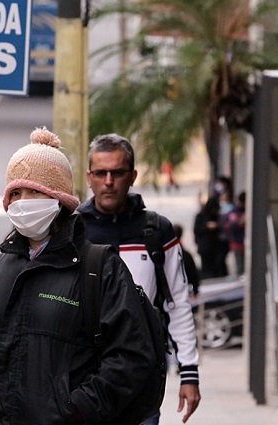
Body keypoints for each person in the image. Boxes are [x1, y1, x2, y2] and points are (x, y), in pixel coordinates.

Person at [0, 127, 157, 425]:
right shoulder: (1, 268)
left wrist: (77, 411)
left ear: (59, 198)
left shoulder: (99, 267)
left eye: (34, 191)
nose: (23, 201)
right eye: (15, 192)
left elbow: (131, 358)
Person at [77, 133, 201, 424]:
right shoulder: (72, 231)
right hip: (83, 378)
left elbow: (178, 303)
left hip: (141, 379)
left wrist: (189, 372)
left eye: (117, 173)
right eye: (100, 173)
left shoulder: (157, 231)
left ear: (132, 176)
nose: (108, 181)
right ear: (89, 177)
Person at [194, 196, 228, 278]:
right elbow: (197, 230)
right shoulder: (201, 216)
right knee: (207, 270)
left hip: (217, 247)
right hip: (205, 247)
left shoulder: (218, 216)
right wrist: (207, 227)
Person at [173, 224, 201, 299]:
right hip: (185, 291)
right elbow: (193, 274)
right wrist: (195, 290)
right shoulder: (186, 254)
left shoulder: (166, 255)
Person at [224, 191, 246, 275]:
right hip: (237, 242)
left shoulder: (245, 211)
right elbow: (230, 226)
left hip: (245, 242)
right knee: (240, 266)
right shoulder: (234, 212)